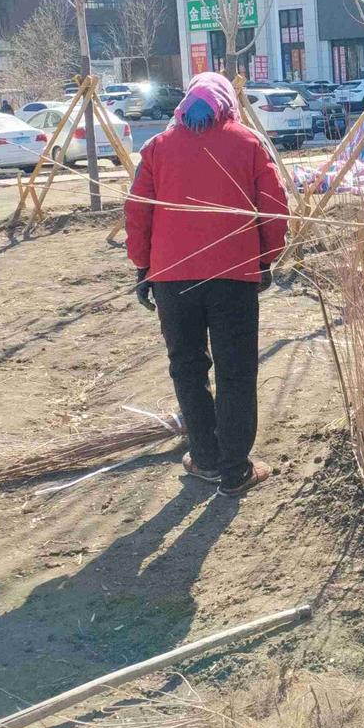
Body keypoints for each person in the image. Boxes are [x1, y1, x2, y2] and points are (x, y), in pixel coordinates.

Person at [125, 71, 288, 492]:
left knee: (188, 368)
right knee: (236, 371)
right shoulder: (248, 143)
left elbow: (138, 212)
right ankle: (236, 472)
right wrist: (266, 260)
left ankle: (205, 457)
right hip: (234, 277)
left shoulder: (158, 148)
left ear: (184, 105)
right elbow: (274, 209)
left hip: (172, 280)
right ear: (227, 103)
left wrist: (143, 268)